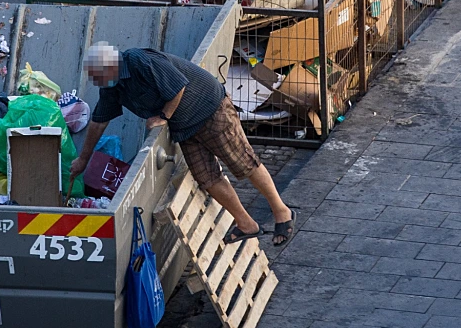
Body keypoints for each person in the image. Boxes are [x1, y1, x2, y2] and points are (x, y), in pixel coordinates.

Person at [70, 42, 296, 245]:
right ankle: (246, 224)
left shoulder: (140, 60)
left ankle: (281, 212)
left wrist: (164, 116)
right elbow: (99, 122)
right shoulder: (111, 85)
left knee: (242, 161)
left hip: (210, 109)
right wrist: (83, 159)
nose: (99, 82)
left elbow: (179, 87)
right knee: (207, 178)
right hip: (185, 126)